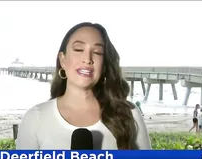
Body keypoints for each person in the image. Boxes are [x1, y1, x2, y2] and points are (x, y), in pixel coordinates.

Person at [16, 22, 152, 150]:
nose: (87, 59)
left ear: (104, 65)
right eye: (79, 49)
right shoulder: (35, 118)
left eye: (97, 52)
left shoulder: (129, 114)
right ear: (62, 60)